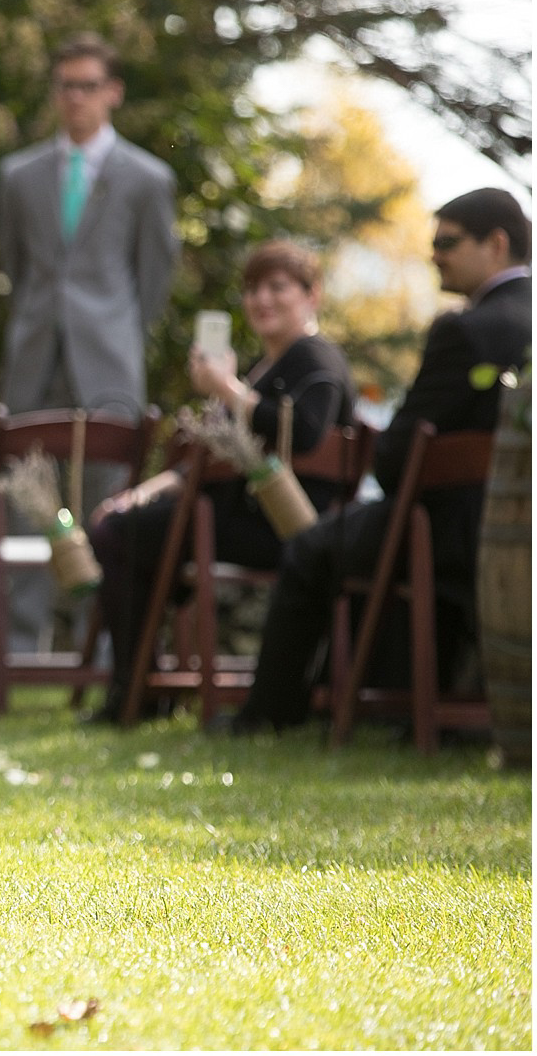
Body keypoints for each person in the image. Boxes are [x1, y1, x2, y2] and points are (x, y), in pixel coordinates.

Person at [226, 188, 531, 734]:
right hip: (513, 530)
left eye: (448, 243)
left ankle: (271, 712)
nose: (434, 254)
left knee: (310, 550)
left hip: (450, 530)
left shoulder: (465, 330)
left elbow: (397, 457)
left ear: (497, 243)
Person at [87, 241, 357, 723]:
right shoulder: (263, 366)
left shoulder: (315, 358)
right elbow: (213, 460)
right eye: (253, 289)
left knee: (117, 539)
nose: (262, 300)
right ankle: (143, 687)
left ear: (311, 295)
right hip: (232, 516)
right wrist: (141, 493)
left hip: (284, 525)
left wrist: (228, 391)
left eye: (278, 288)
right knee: (121, 525)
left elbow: (306, 433)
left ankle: (139, 693)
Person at [0, 33, 179, 651]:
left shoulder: (148, 179)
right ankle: (24, 646)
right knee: (30, 495)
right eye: (66, 85)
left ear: (113, 93)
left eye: (88, 85)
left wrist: (112, 332)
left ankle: (102, 646)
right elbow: (17, 266)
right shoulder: (18, 175)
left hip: (109, 361)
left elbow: (152, 282)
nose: (75, 98)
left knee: (107, 504)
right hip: (34, 355)